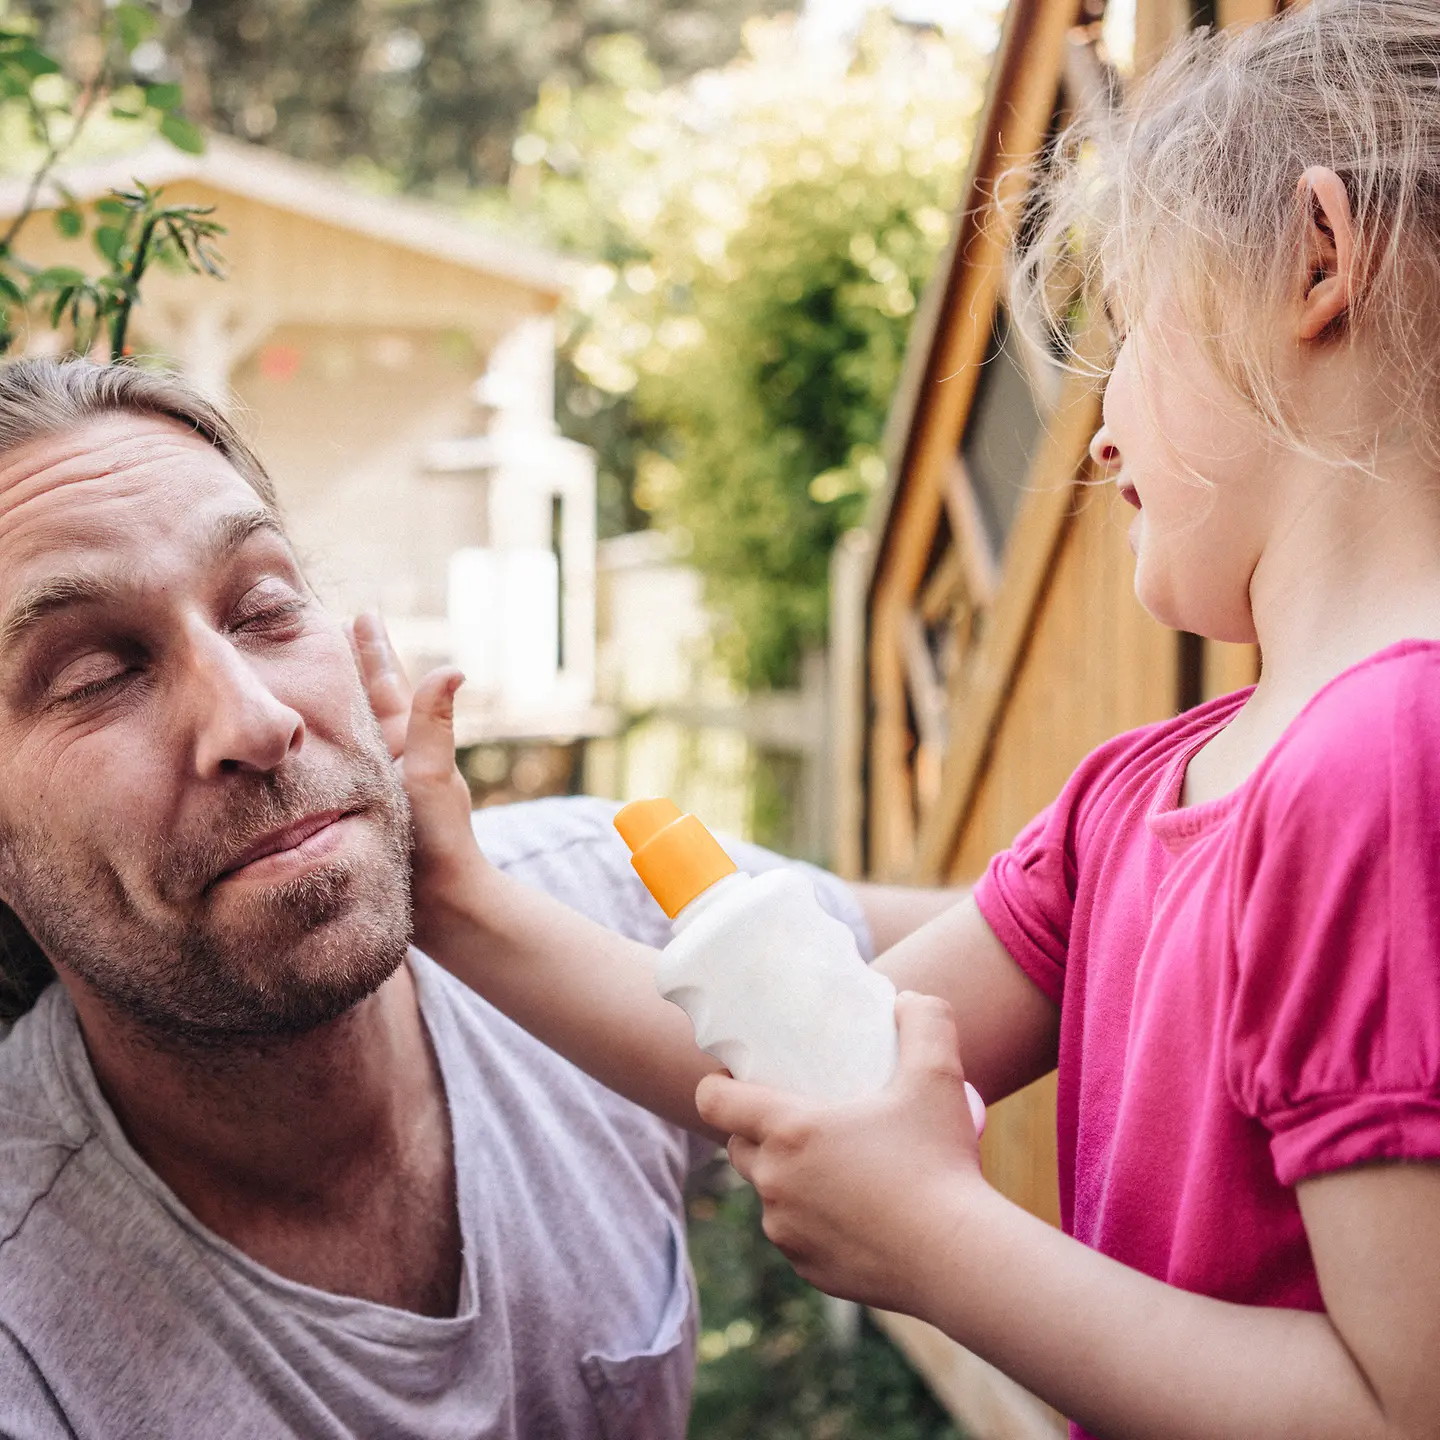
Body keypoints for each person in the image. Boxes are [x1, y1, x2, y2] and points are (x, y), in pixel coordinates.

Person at [380, 4, 1440, 1438]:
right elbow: (801, 1042)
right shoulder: (1140, 794)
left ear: (1318, 261)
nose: (1104, 427)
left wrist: (942, 1246)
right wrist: (459, 902)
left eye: (1129, 330)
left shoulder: (1391, 754)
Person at [0, 358, 954, 1438]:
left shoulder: (586, 901)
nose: (258, 720)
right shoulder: (26, 1337)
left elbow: (1050, 946)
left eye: (265, 607)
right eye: (94, 676)